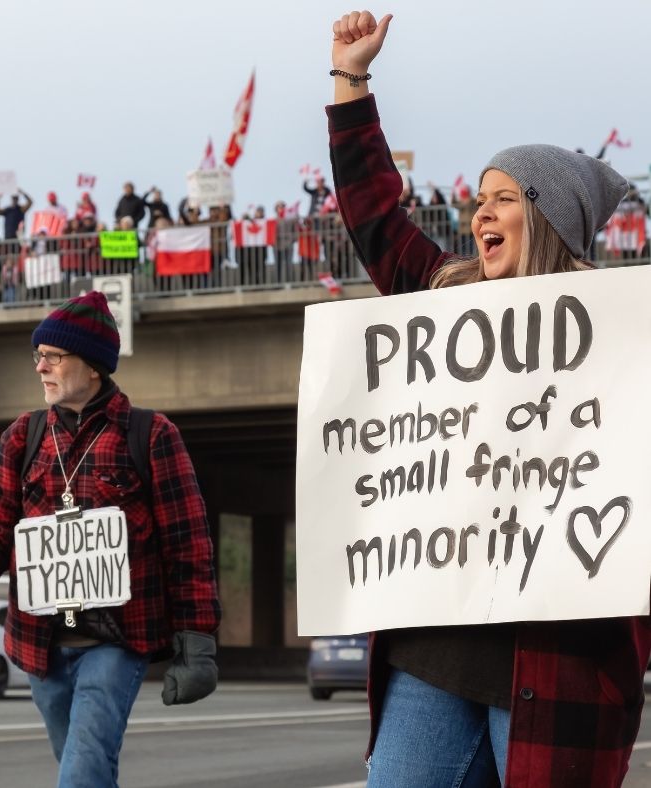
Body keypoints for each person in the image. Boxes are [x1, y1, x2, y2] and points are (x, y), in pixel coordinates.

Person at [328, 11, 651, 787]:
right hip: (432, 653)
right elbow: (376, 217)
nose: (480, 214)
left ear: (545, 217)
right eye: (479, 197)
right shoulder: (439, 304)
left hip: (559, 661)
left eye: (503, 198)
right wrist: (350, 80)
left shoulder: (622, 340)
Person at [0, 291, 221, 788]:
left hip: (116, 640)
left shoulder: (151, 435)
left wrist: (198, 641)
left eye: (53, 357)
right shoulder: (23, 436)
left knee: (82, 772)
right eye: (37, 355)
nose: (40, 367)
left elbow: (187, 543)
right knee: (84, 769)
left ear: (93, 367)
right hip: (40, 644)